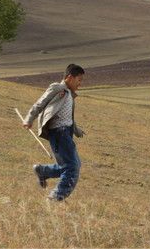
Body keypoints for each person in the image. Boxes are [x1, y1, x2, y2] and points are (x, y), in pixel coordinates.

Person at [22, 63, 86, 201]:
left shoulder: (69, 94)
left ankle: (42, 171)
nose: (80, 84)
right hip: (58, 132)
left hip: (66, 132)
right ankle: (56, 197)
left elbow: (67, 117)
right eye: (79, 80)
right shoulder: (57, 87)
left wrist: (76, 130)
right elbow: (40, 103)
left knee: (73, 165)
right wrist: (29, 118)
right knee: (71, 167)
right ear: (69, 77)